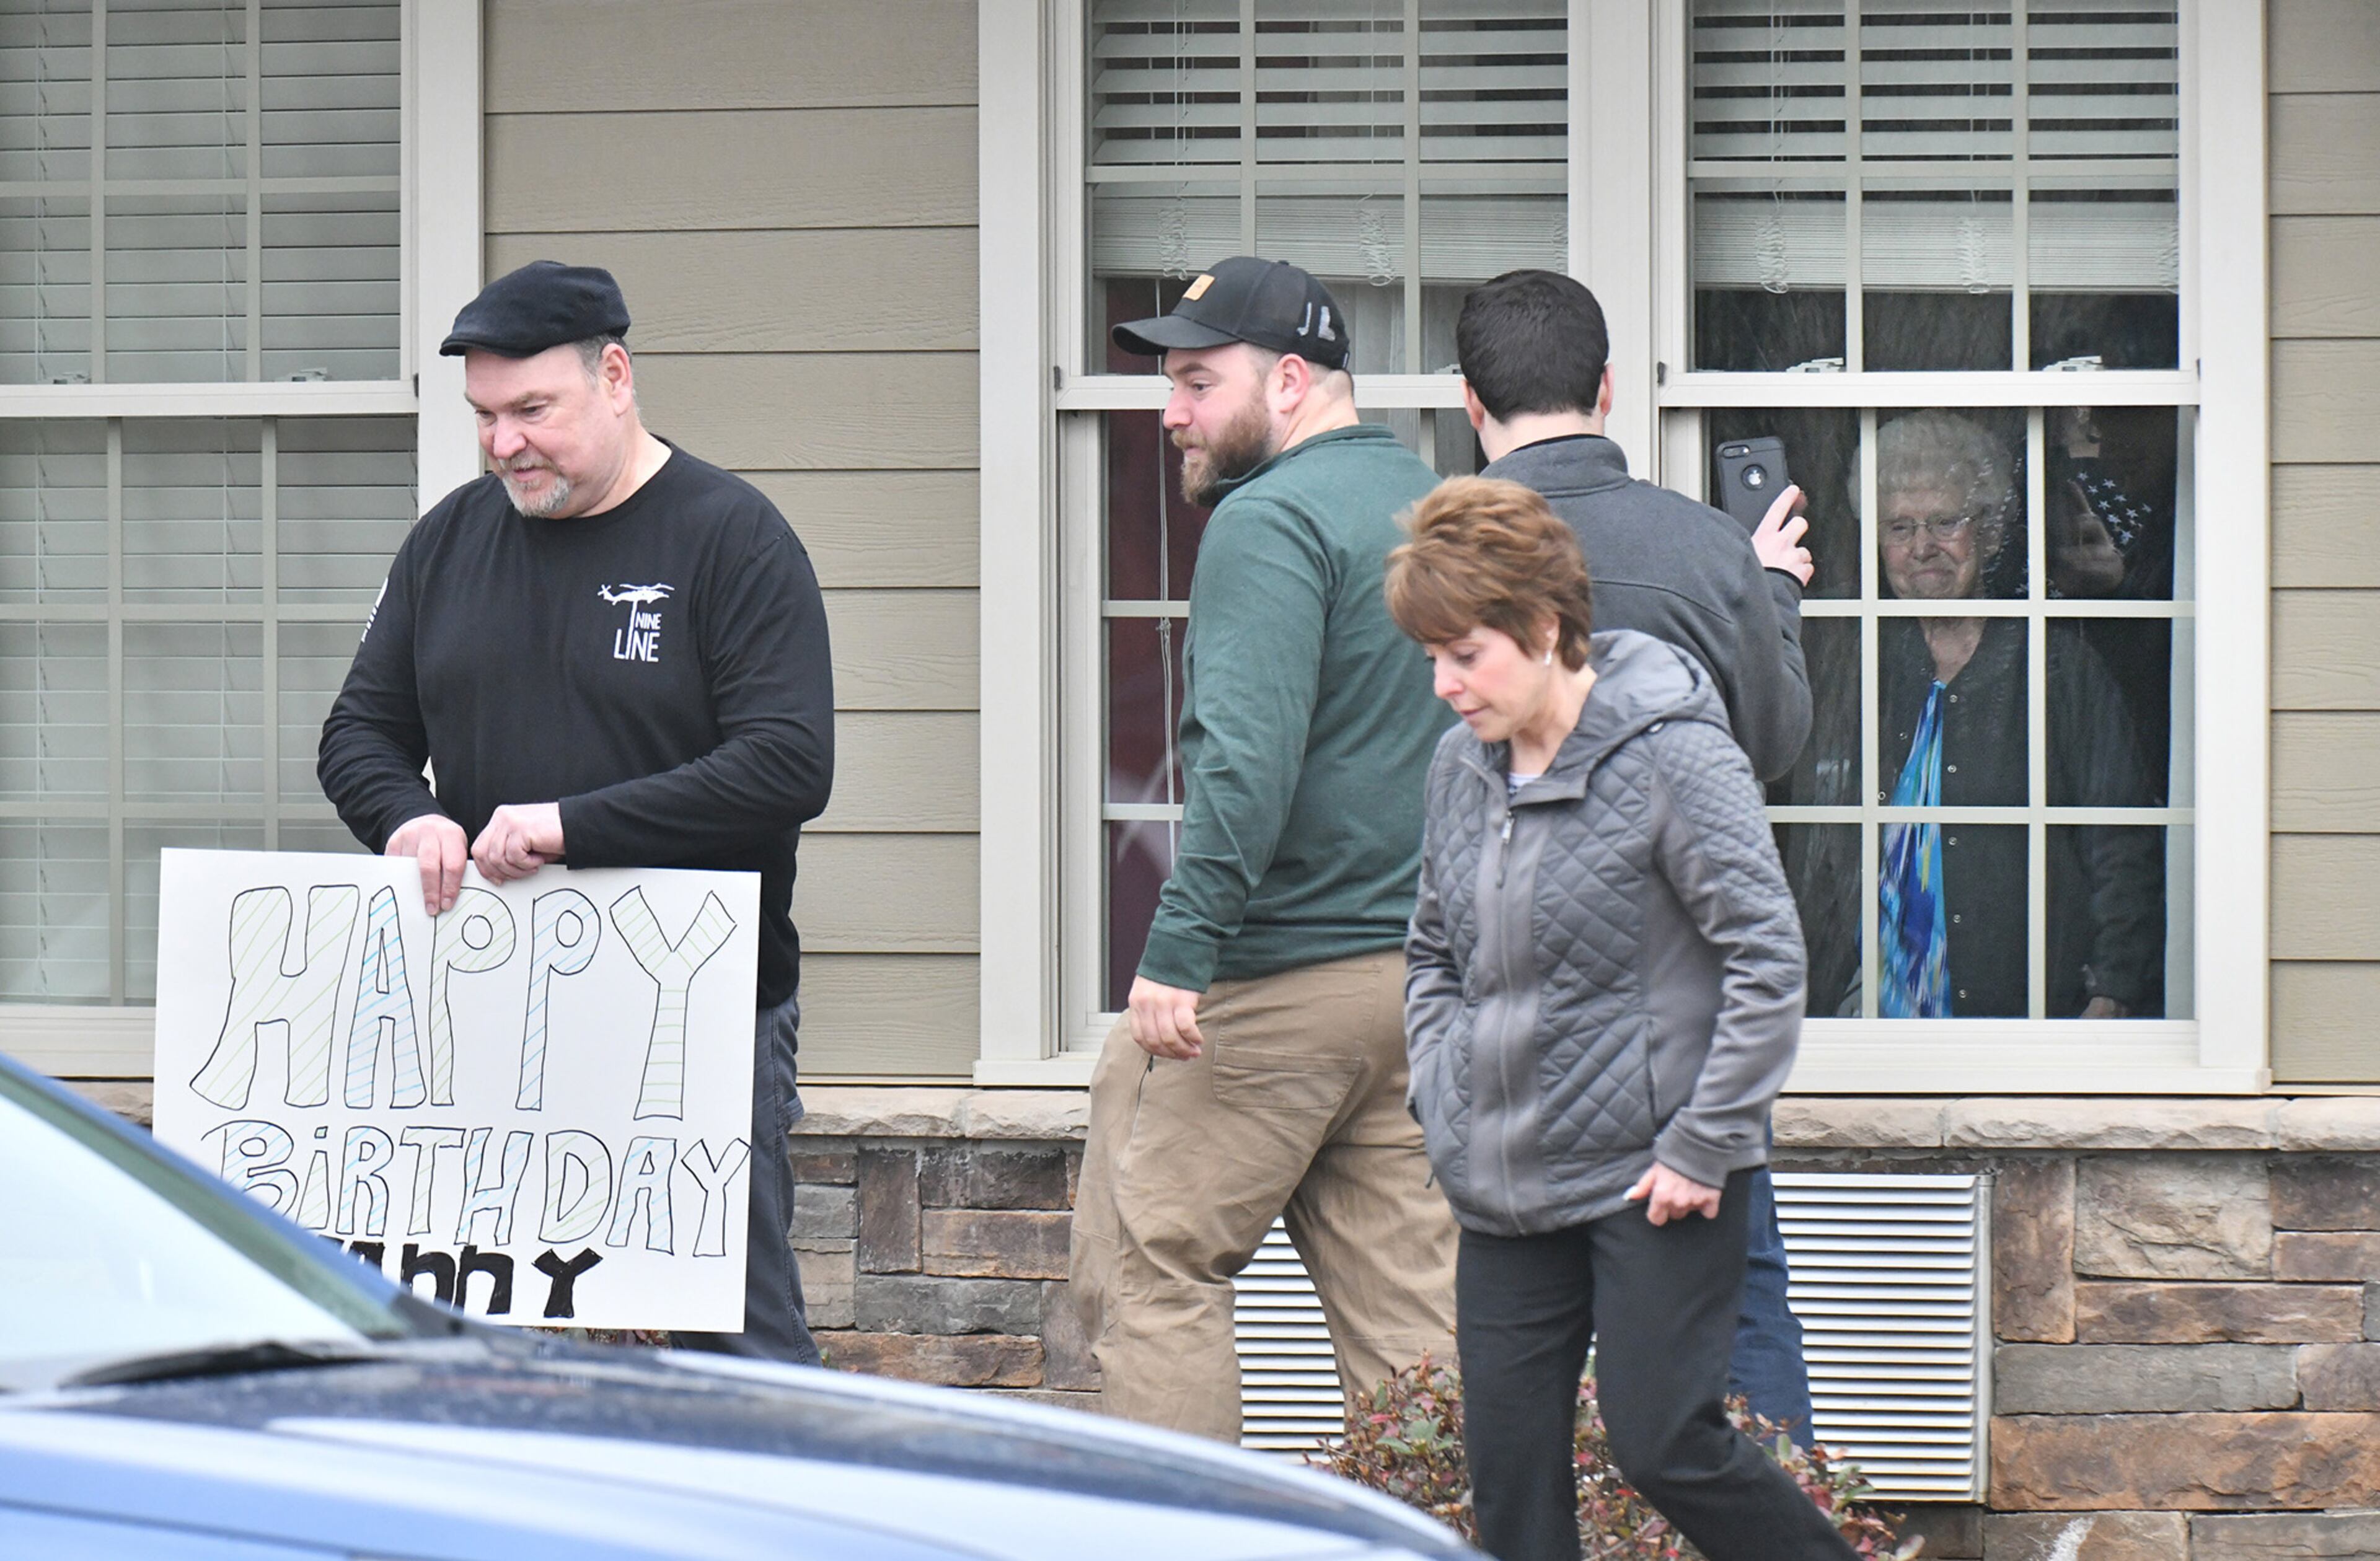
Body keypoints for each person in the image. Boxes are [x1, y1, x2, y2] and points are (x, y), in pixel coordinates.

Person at [317, 260, 834, 1363]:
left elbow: (789, 764)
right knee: (469, 1322)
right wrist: (410, 819)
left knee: (729, 1324)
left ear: (615, 376)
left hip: (691, 1011)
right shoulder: (449, 543)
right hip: (480, 999)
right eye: (485, 418)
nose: (505, 443)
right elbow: (356, 734)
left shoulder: (731, 538)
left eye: (532, 411)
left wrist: (569, 823)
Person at [1387, 477, 1858, 1561]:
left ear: (1546, 627)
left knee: (1666, 1441)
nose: (1446, 685)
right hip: (1505, 1181)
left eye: (1467, 654)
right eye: (1432, 659)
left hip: (1656, 1178)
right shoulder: (1460, 768)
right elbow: (1431, 951)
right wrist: (1444, 1091)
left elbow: (1767, 953)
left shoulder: (1672, 751)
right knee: (1511, 1485)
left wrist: (1706, 1139)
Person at [1067, 255, 1460, 1443]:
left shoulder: (1269, 518)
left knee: (1151, 1267)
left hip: (1273, 978)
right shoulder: (1427, 498)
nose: (1171, 414)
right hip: (1412, 989)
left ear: (1290, 381)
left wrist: (1176, 949)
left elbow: (1244, 763)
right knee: (1416, 1343)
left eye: (1196, 381)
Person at [1455, 266, 1818, 1443]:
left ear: (1469, 401)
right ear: (1609, 388)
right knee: (1731, 1304)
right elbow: (1773, 742)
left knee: (1523, 1363)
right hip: (1675, 1014)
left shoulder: (1442, 564)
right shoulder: (1708, 548)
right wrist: (1774, 597)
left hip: (1509, 1019)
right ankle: (1779, 1506)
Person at [1870, 410, 2161, 1019]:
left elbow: (2122, 840)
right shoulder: (1864, 664)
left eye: (1947, 522)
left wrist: (2112, 989)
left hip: (2019, 1018)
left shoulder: (2057, 665)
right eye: (1900, 526)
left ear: (1993, 531)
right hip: (1872, 1015)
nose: (1922, 547)